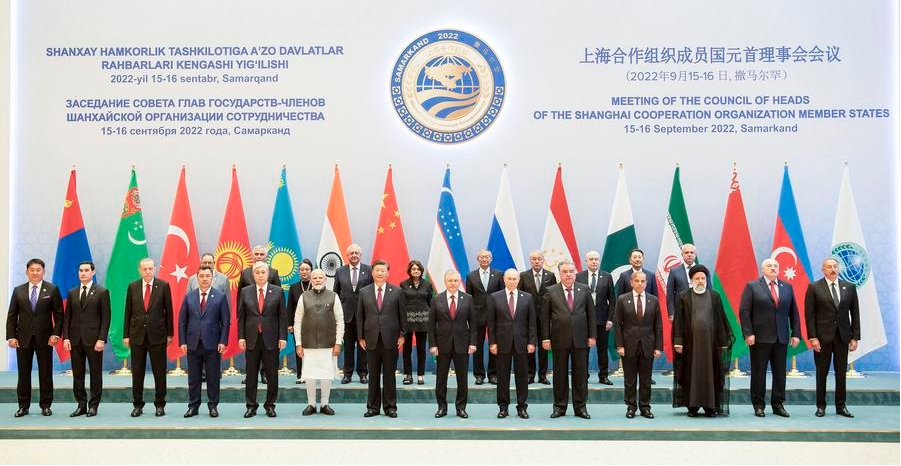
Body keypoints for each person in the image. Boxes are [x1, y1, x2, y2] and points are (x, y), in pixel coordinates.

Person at [739, 258, 801, 418]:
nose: (773, 268)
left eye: (775, 266)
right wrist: (748, 333)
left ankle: (778, 404)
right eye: (769, 266)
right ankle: (759, 405)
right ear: (763, 269)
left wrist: (796, 333)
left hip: (781, 338)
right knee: (758, 373)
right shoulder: (752, 286)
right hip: (759, 338)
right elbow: (744, 312)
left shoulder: (787, 287)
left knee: (780, 374)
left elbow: (794, 313)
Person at [672, 265, 733, 417]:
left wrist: (723, 342)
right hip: (690, 344)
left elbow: (720, 319)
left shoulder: (714, 296)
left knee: (711, 373)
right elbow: (679, 321)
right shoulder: (684, 296)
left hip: (711, 345)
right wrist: (678, 341)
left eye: (703, 278)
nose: (700, 281)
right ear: (692, 280)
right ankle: (692, 406)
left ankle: (710, 406)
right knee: (690, 373)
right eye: (697, 278)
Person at [6, 258, 63, 417]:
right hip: (22, 339)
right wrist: (11, 336)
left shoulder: (52, 290)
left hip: (45, 339)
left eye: (38, 270)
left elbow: (59, 315)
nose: (35, 272)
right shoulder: (18, 291)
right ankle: (23, 406)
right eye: (32, 270)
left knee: (46, 373)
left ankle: (46, 405)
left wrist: (55, 334)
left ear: (44, 272)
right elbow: (12, 315)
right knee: (23, 374)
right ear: (27, 272)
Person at [805, 257, 860, 418]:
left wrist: (855, 337)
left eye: (835, 266)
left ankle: (841, 406)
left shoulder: (849, 287)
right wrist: (813, 337)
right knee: (821, 373)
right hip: (822, 338)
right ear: (823, 270)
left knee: (841, 372)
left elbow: (855, 313)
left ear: (839, 268)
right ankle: (821, 406)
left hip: (843, 337)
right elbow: (809, 315)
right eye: (829, 266)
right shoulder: (814, 287)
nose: (832, 269)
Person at [542, 260, 597, 419]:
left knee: (581, 375)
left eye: (571, 271)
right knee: (560, 375)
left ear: (575, 273)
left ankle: (580, 408)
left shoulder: (584, 289)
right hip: (559, 339)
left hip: (581, 339)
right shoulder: (551, 291)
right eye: (565, 271)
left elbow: (591, 315)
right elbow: (544, 317)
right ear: (559, 274)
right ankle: (559, 407)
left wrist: (592, 336)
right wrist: (545, 338)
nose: (568, 274)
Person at [123, 258, 173, 417]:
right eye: (144, 269)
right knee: (137, 373)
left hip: (158, 335)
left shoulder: (163, 286)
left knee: (159, 372)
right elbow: (128, 312)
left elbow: (169, 311)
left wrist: (170, 334)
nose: (148, 272)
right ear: (140, 270)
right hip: (137, 336)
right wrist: (126, 335)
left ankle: (160, 404)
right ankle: (137, 405)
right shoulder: (133, 286)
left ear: (155, 269)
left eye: (150, 268)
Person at [357, 260, 407, 418]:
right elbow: (360, 316)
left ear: (388, 273)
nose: (380, 273)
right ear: (372, 273)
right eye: (377, 270)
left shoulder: (398, 291)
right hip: (370, 339)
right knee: (373, 375)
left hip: (391, 339)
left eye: (383, 270)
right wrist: (360, 337)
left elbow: (403, 315)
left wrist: (402, 335)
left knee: (389, 375)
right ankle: (372, 407)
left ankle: (390, 407)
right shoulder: (364, 292)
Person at [237, 262, 287, 418]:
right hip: (251, 338)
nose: (260, 275)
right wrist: (241, 336)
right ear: (253, 275)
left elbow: (282, 316)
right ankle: (251, 406)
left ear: (268, 274)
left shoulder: (278, 291)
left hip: (271, 339)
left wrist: (283, 337)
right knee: (251, 374)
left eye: (263, 272)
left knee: (272, 374)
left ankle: (270, 405)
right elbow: (241, 316)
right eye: (257, 272)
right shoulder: (245, 291)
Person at [178, 265, 230, 418]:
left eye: (208, 276)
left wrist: (223, 341)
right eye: (202, 276)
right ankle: (193, 406)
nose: (205, 279)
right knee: (193, 378)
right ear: (197, 278)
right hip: (193, 343)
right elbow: (182, 321)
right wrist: (182, 341)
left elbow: (225, 321)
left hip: (213, 344)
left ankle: (213, 406)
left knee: (213, 377)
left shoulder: (220, 296)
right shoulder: (189, 296)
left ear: (212, 278)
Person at [63, 261, 111, 417]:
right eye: (81, 270)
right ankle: (81, 405)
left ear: (93, 272)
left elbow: (106, 318)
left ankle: (93, 405)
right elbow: (67, 317)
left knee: (95, 374)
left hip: (94, 340)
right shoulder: (72, 292)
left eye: (86, 270)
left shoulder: (102, 292)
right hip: (75, 340)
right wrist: (66, 337)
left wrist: (101, 339)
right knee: (78, 375)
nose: (83, 273)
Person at [294, 269, 344, 416]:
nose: (317, 280)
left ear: (325, 280)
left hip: (328, 343)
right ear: (311, 280)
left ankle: (324, 404)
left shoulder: (334, 296)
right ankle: (311, 404)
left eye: (320, 278)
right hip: (308, 343)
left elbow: (340, 321)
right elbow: (297, 321)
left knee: (326, 374)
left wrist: (338, 342)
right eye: (314, 278)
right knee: (309, 375)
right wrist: (298, 343)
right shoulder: (304, 297)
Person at [488, 269, 537, 419]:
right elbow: (491, 323)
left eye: (514, 279)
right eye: (509, 278)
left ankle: (522, 407)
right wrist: (492, 342)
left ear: (518, 280)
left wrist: (532, 342)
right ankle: (503, 407)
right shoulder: (495, 297)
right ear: (504, 279)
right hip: (502, 343)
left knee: (522, 377)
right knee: (503, 377)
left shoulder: (527, 297)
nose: (511, 281)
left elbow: (532, 323)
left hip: (522, 343)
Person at [614, 271, 663, 419]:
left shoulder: (654, 300)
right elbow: (618, 325)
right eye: (637, 281)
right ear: (631, 283)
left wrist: (658, 347)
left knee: (646, 379)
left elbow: (658, 325)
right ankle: (631, 407)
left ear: (646, 283)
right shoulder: (622, 299)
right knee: (630, 379)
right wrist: (620, 345)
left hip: (648, 345)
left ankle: (645, 407)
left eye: (643, 281)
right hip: (628, 345)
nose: (640, 283)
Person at [428, 270, 476, 418]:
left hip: (462, 344)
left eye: (456, 281)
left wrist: (473, 343)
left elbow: (473, 323)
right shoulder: (437, 299)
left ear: (459, 281)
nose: (453, 283)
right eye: (450, 281)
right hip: (442, 344)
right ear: (445, 282)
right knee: (441, 379)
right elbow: (431, 325)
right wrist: (433, 345)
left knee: (462, 379)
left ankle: (461, 408)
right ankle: (442, 407)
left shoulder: (468, 299)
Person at [238, 245, 281, 385]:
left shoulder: (273, 272)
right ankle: (250, 375)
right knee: (251, 353)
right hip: (251, 322)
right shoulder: (245, 273)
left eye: (261, 254)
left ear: (266, 256)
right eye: (256, 254)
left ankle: (264, 374)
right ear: (252, 255)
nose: (258, 256)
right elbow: (240, 297)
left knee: (267, 351)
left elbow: (278, 297)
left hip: (268, 322)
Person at [333, 243, 372, 384]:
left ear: (360, 255)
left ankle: (363, 373)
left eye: (356, 253)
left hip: (365, 315)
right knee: (348, 347)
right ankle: (347, 374)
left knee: (363, 346)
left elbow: (372, 291)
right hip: (346, 316)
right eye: (351, 253)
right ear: (347, 255)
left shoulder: (369, 270)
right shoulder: (340, 271)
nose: (354, 255)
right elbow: (336, 293)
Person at [575, 251, 615, 385]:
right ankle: (583, 375)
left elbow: (612, 300)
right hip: (583, 321)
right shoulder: (578, 276)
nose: (594, 261)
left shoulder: (607, 276)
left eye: (596, 259)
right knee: (583, 350)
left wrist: (610, 319)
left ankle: (603, 376)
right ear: (586, 261)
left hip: (602, 320)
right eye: (591, 259)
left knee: (602, 350)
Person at [465, 249, 503, 385]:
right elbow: (469, 297)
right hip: (477, 315)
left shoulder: (499, 274)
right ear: (478, 259)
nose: (485, 259)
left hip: (495, 315)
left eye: (487, 257)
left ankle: (493, 374)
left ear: (491, 259)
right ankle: (479, 375)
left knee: (494, 345)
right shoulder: (471, 276)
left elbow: (502, 295)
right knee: (477, 346)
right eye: (482, 257)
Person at [518, 250, 556, 384]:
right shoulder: (523, 276)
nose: (536, 261)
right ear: (530, 260)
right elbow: (520, 296)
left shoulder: (550, 275)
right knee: (529, 347)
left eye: (539, 259)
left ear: (543, 260)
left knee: (543, 348)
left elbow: (554, 296)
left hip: (545, 318)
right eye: (534, 259)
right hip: (528, 318)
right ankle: (530, 374)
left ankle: (543, 375)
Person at [399, 260, 434, 385]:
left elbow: (431, 303)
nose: (416, 271)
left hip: (423, 321)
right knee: (407, 349)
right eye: (413, 269)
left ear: (421, 271)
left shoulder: (427, 284)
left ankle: (420, 375)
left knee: (421, 349)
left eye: (418, 269)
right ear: (410, 271)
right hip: (407, 320)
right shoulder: (403, 284)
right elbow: (401, 303)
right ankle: (408, 375)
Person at [288, 258, 314, 384]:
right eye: (302, 269)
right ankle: (300, 375)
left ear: (311, 271)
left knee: (312, 351)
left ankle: (311, 375)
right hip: (298, 325)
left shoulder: (316, 285)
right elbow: (290, 307)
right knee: (299, 350)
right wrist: (289, 324)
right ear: (299, 271)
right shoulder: (294, 287)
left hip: (314, 325)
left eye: (307, 269)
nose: (304, 272)